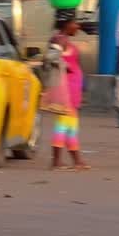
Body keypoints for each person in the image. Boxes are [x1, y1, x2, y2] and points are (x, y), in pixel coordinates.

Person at [43, 12, 89, 171]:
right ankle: (57, 162)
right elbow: (50, 57)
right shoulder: (60, 39)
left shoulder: (63, 39)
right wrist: (66, 65)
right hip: (66, 89)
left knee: (70, 125)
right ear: (66, 24)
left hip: (72, 88)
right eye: (75, 23)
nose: (78, 26)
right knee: (64, 125)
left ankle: (75, 160)